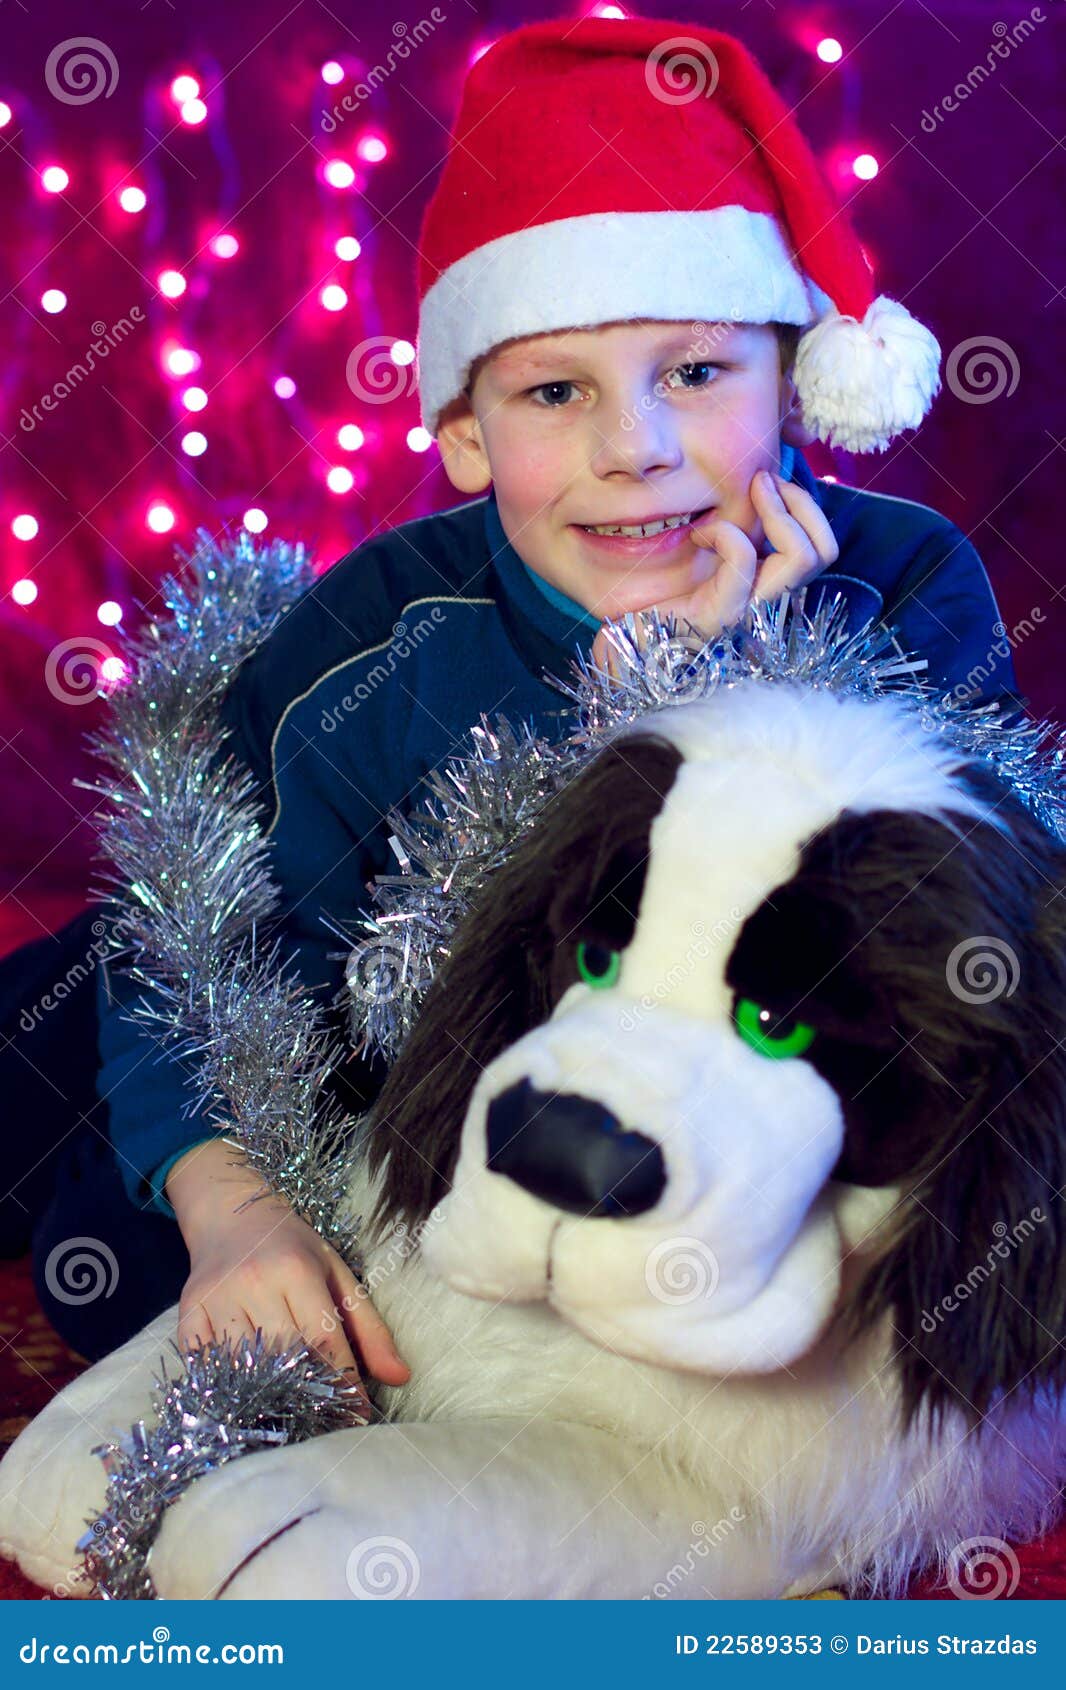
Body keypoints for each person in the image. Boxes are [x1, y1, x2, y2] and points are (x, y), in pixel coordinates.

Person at [1, 15, 1023, 1385]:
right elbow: (194, 951)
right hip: (297, 1003)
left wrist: (700, 691)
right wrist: (228, 1204)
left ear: (793, 381)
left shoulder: (904, 588)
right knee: (118, 1165)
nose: (635, 450)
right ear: (467, 434)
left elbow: (938, 987)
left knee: (275, 1310)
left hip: (495, 1097)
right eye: (555, 391)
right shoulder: (377, 636)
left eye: (698, 372)